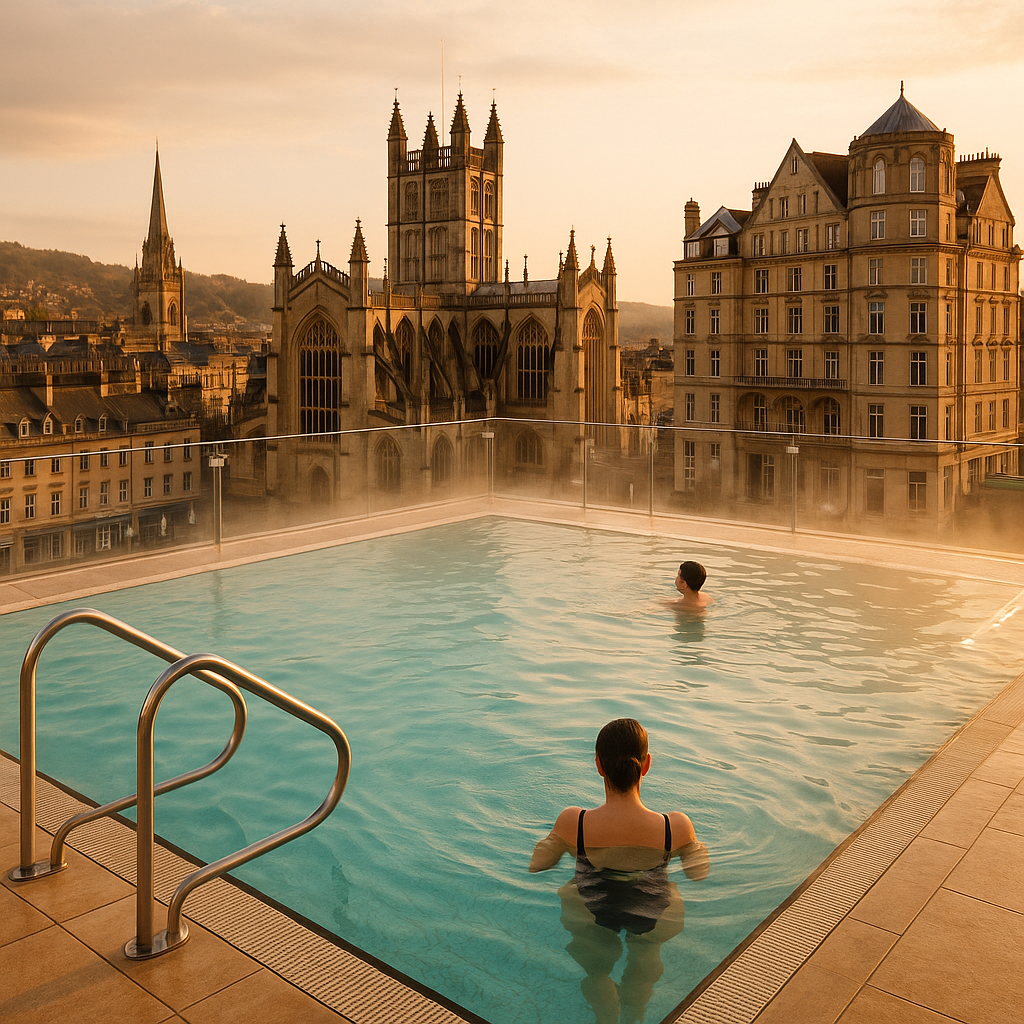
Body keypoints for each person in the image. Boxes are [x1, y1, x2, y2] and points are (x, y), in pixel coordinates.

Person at [530, 719, 709, 1024]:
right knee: (647, 959)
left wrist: (554, 839)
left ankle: (605, 1016)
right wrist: (694, 845)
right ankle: (635, 1015)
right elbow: (698, 873)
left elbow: (538, 865)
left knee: (596, 970)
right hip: (653, 907)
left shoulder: (575, 822)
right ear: (646, 765)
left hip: (590, 905)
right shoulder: (675, 826)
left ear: (599, 765)